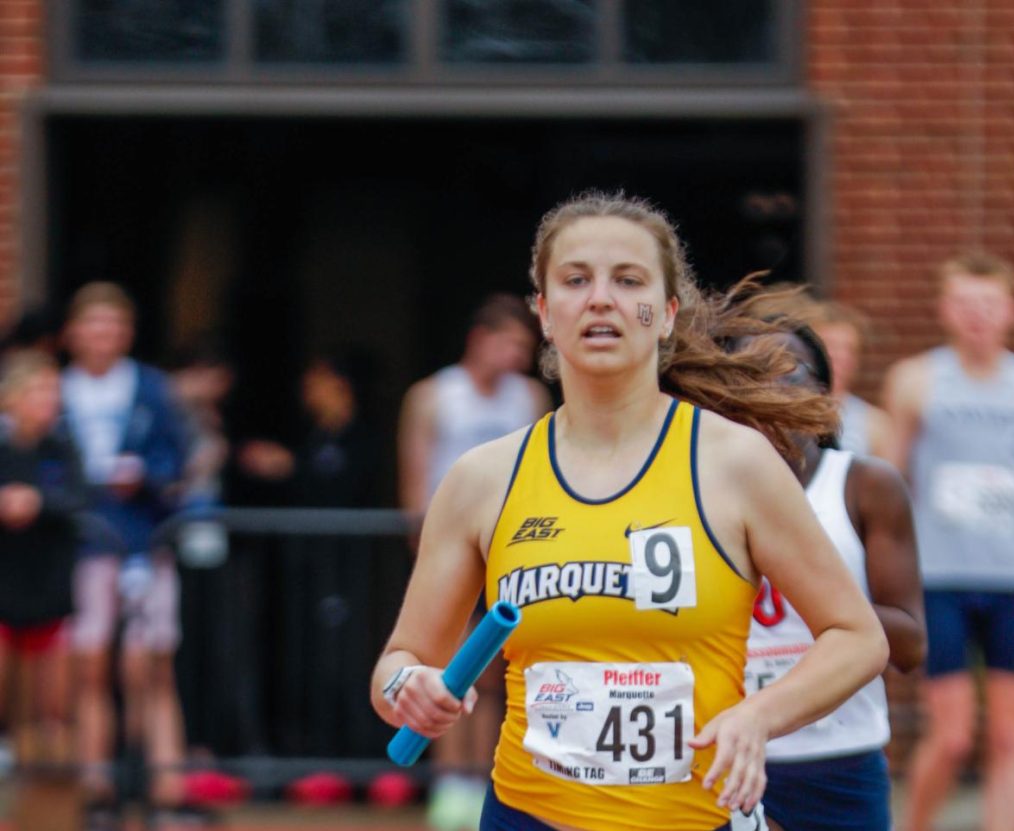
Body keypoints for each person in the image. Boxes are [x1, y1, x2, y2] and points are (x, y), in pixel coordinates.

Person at [372, 191, 889, 831]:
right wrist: (408, 689)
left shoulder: (736, 464)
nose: (600, 299)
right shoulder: (484, 478)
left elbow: (859, 637)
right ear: (543, 311)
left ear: (667, 313)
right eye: (575, 280)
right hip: (529, 816)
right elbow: (399, 662)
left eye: (628, 280)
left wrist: (760, 714)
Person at [884, 253, 1014, 831]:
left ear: (1011, 311)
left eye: (989, 305)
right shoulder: (916, 380)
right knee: (952, 737)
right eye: (966, 305)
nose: (978, 317)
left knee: (1009, 735)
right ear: (945, 310)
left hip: (1011, 581)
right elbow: (889, 485)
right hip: (940, 580)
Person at [732, 314, 925, 831]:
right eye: (753, 372)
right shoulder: (707, 493)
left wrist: (824, 600)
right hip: (732, 755)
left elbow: (909, 645)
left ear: (821, 395)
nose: (771, 386)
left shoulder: (865, 485)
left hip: (838, 757)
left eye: (787, 371)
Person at [396, 294, 550, 830]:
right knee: (441, 673)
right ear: (480, 339)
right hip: (450, 548)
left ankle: (483, 779)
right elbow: (415, 478)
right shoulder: (433, 395)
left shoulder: (529, 396)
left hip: (510, 548)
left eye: (525, 347)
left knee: (490, 676)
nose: (518, 356)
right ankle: (448, 783)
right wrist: (428, 553)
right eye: (510, 343)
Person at [60, 282, 191, 830]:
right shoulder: (58, 391)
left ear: (128, 333)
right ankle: (98, 786)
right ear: (74, 334)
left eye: (114, 326)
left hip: (145, 544)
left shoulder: (151, 388)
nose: (103, 336)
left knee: (151, 667)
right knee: (89, 667)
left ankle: (165, 786)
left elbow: (179, 457)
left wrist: (145, 475)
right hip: (84, 546)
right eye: (94, 325)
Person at [0, 351, 87, 766]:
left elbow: (80, 499)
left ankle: (38, 782)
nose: (47, 401)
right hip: (4, 582)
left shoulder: (63, 447)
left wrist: (38, 501)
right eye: (38, 391)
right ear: (12, 398)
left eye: (53, 392)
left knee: (49, 704)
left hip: (48, 586)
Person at [810, 301, 893, 457]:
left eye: (850, 349)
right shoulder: (786, 416)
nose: (841, 357)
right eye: (831, 346)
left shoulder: (875, 424)